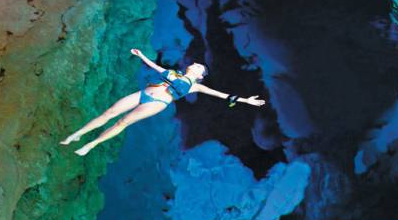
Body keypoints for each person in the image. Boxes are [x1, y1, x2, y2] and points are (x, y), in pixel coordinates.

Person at [60, 48, 266, 156]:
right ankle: (77, 135)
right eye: (195, 63)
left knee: (122, 123)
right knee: (108, 113)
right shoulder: (173, 72)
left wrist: (246, 100)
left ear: (200, 75)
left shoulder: (196, 86)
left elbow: (223, 95)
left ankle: (91, 144)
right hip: (143, 93)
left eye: (198, 66)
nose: (194, 64)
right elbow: (155, 66)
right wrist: (141, 55)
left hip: (156, 104)